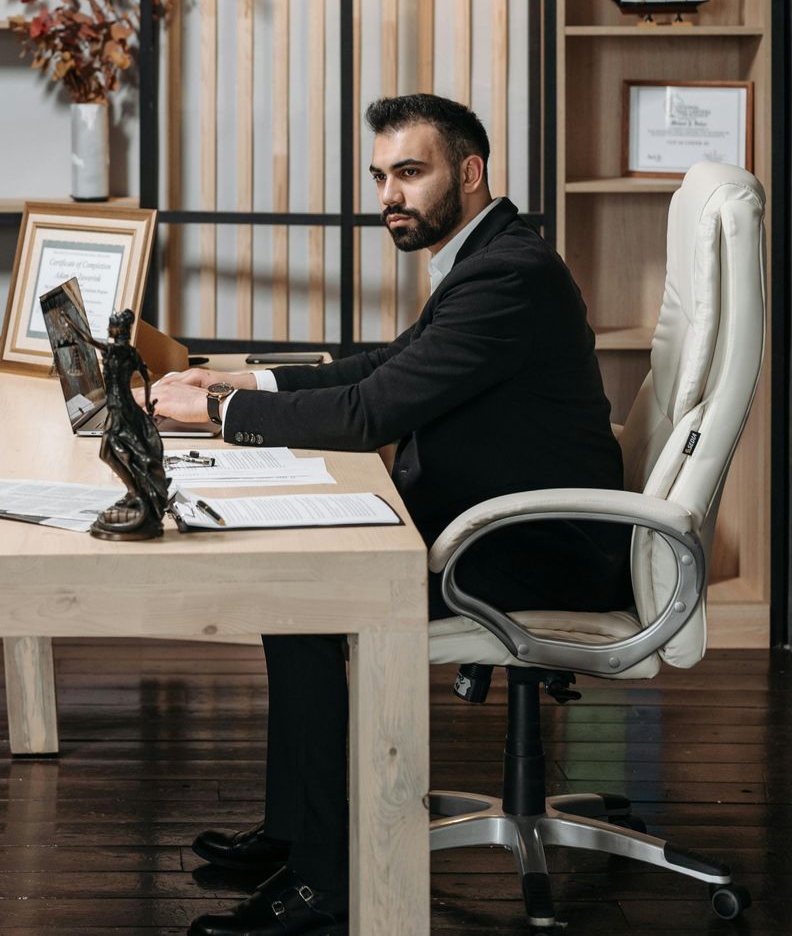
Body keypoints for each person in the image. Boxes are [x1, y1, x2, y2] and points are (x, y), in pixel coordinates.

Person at [148, 94, 629, 936]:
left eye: (410, 172)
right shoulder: (486, 260)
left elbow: (374, 412)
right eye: (380, 176)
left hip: (534, 549)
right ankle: (301, 833)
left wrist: (218, 414)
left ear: (470, 173)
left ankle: (329, 884)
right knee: (291, 585)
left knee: (308, 591)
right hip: (496, 525)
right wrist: (235, 383)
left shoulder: (508, 277)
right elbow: (382, 368)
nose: (389, 196)